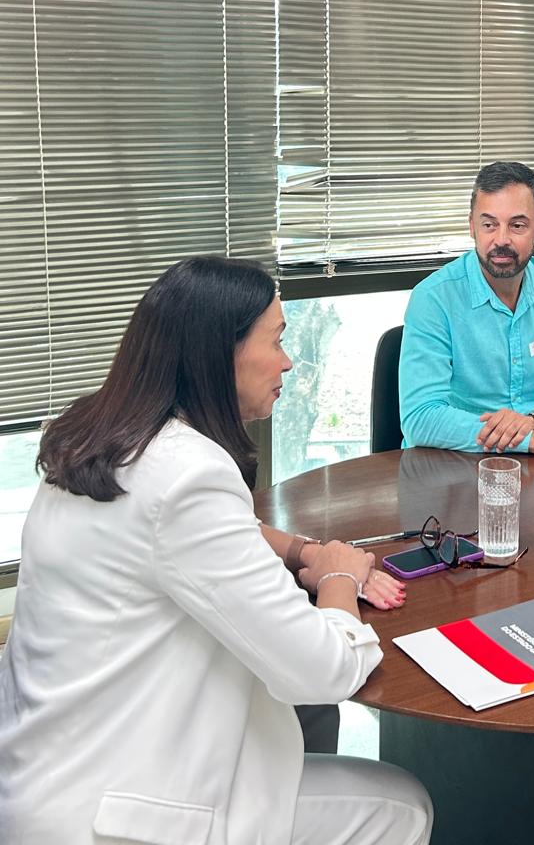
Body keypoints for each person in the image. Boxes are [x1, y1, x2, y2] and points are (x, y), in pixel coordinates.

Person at [0, 257, 432, 845]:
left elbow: (183, 533)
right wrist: (339, 577)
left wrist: (301, 551)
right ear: (220, 354)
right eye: (276, 341)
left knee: (297, 726)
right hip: (111, 813)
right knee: (401, 805)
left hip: (45, 771)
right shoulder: (189, 474)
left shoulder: (98, 435)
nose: (288, 361)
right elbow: (323, 671)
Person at [400, 161, 534, 458]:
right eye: (489, 225)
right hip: (450, 463)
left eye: (517, 225)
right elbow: (420, 419)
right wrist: (531, 440)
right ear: (472, 226)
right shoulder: (434, 298)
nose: (501, 240)